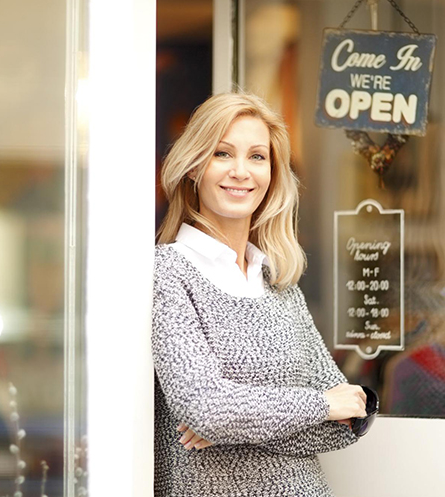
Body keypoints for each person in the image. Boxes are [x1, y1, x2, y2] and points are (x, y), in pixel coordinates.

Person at [152, 92, 369, 496]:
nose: (240, 171)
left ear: (272, 173)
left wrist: (235, 424)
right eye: (222, 154)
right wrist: (319, 404)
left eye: (257, 157)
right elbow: (208, 409)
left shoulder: (277, 280)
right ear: (194, 167)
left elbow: (347, 421)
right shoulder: (167, 272)